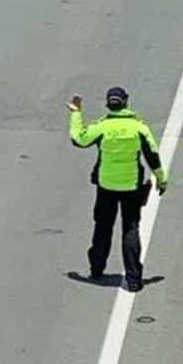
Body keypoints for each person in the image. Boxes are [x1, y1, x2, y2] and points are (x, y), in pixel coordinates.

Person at [67, 87, 167, 292]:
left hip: (106, 185)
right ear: (126, 102)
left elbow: (78, 139)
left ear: (107, 104)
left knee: (102, 226)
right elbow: (152, 155)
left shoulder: (102, 127)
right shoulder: (138, 127)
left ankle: (96, 268)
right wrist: (161, 179)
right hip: (131, 186)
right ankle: (133, 279)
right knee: (130, 230)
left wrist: (76, 113)